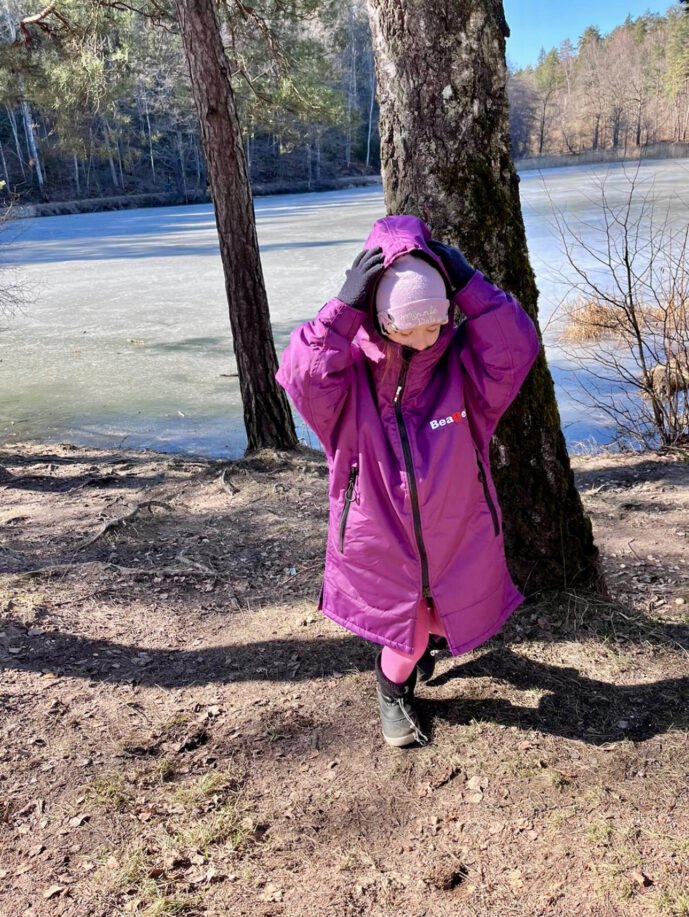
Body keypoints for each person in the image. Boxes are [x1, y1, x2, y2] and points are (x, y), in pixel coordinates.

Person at [276, 215, 542, 748]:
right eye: (407, 325)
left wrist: (472, 287)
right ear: (378, 318)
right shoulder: (348, 378)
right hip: (377, 534)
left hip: (458, 529)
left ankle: (420, 648)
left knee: (448, 622)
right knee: (408, 634)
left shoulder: (462, 372)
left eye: (435, 322)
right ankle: (391, 691)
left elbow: (515, 350)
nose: (423, 338)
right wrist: (340, 311)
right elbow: (302, 375)